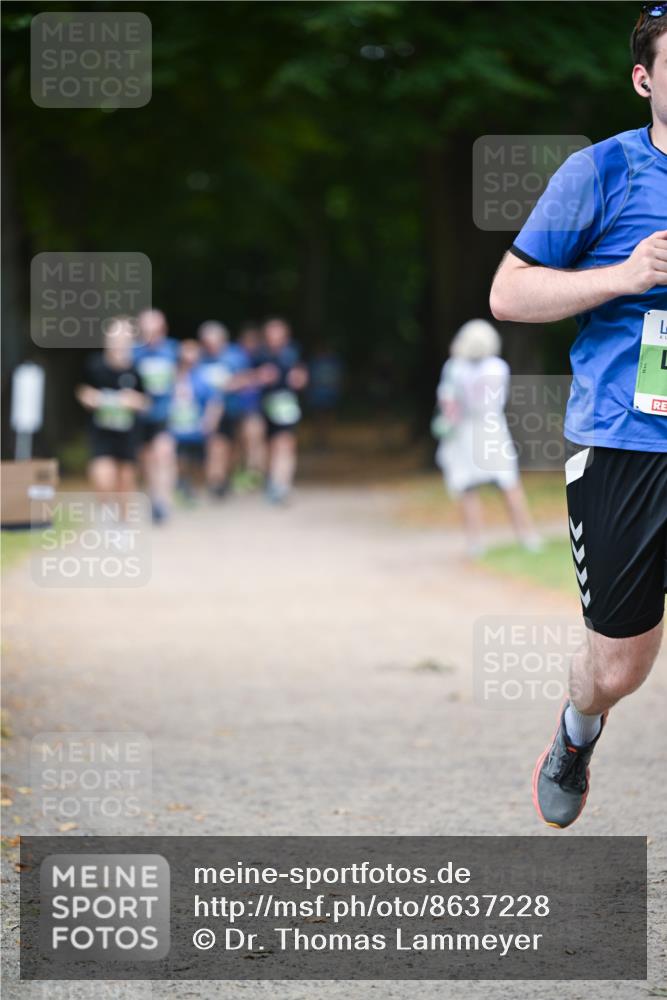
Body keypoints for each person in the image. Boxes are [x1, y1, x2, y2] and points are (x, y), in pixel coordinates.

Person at [490, 4, 667, 828]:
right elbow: (509, 293)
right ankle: (576, 729)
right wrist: (624, 276)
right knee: (617, 668)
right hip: (628, 440)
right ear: (643, 79)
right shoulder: (600, 173)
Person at [434, 319, 541, 558]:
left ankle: (475, 542)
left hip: (465, 431)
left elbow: (447, 401)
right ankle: (527, 535)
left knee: (467, 487)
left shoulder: (455, 368)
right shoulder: (498, 367)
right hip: (493, 428)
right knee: (509, 484)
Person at [76, 317, 147, 519]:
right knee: (103, 477)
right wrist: (90, 398)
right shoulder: (94, 365)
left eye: (125, 335)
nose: (119, 339)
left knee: (125, 480)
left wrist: (134, 401)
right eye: (116, 334)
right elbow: (82, 390)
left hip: (128, 432)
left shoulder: (136, 368)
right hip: (101, 431)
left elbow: (146, 400)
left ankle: (123, 524)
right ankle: (106, 510)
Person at [197, 320, 253, 498]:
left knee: (233, 446)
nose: (210, 346)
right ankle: (215, 480)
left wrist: (230, 385)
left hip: (233, 409)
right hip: (208, 411)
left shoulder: (236, 356)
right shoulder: (200, 358)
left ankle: (227, 476)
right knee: (216, 445)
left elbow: (247, 379)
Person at [134, 309, 179, 523]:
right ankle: (154, 496)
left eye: (156, 329)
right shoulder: (134, 353)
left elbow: (183, 375)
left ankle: (164, 501)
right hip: (141, 416)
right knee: (148, 459)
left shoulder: (173, 350)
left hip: (165, 413)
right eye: (147, 330)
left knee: (165, 454)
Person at [258, 318, 309, 504]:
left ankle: (282, 484)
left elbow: (302, 375)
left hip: (286, 405)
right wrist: (259, 377)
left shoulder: (293, 353)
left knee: (285, 443)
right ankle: (270, 480)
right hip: (263, 405)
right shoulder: (259, 355)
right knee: (268, 446)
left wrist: (299, 379)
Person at [169, 340, 223, 502]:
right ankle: (180, 485)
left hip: (197, 429)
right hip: (176, 429)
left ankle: (193, 488)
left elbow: (215, 401)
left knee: (197, 462)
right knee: (178, 459)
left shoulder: (203, 377)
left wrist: (210, 421)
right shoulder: (172, 376)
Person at [235, 323, 268, 486]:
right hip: (237, 407)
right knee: (242, 441)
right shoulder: (236, 357)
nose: (251, 345)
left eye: (254, 341)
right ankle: (245, 471)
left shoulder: (262, 357)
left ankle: (256, 473)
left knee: (255, 439)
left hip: (256, 407)